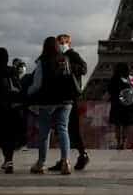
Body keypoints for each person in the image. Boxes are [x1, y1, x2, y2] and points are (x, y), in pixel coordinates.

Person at [27, 36, 78, 174]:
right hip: (66, 100)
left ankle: (41, 163)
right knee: (63, 129)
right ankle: (66, 161)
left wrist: (28, 92)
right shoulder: (65, 59)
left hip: (47, 101)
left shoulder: (42, 61)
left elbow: (37, 84)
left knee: (44, 133)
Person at [46, 34, 89, 172]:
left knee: (70, 129)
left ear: (67, 43)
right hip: (64, 97)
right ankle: (66, 158)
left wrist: (69, 65)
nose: (59, 45)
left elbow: (84, 68)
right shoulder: (60, 56)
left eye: (61, 42)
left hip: (71, 97)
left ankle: (81, 155)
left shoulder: (72, 54)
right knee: (64, 129)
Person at [0, 47, 27, 174]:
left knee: (2, 136)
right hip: (14, 108)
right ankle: (8, 160)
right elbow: (19, 88)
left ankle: (8, 161)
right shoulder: (13, 71)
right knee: (11, 136)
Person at [108, 62, 133, 149]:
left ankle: (118, 142)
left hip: (117, 104)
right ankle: (123, 142)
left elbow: (110, 90)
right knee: (125, 124)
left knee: (118, 124)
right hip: (128, 105)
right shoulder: (131, 78)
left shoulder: (114, 79)